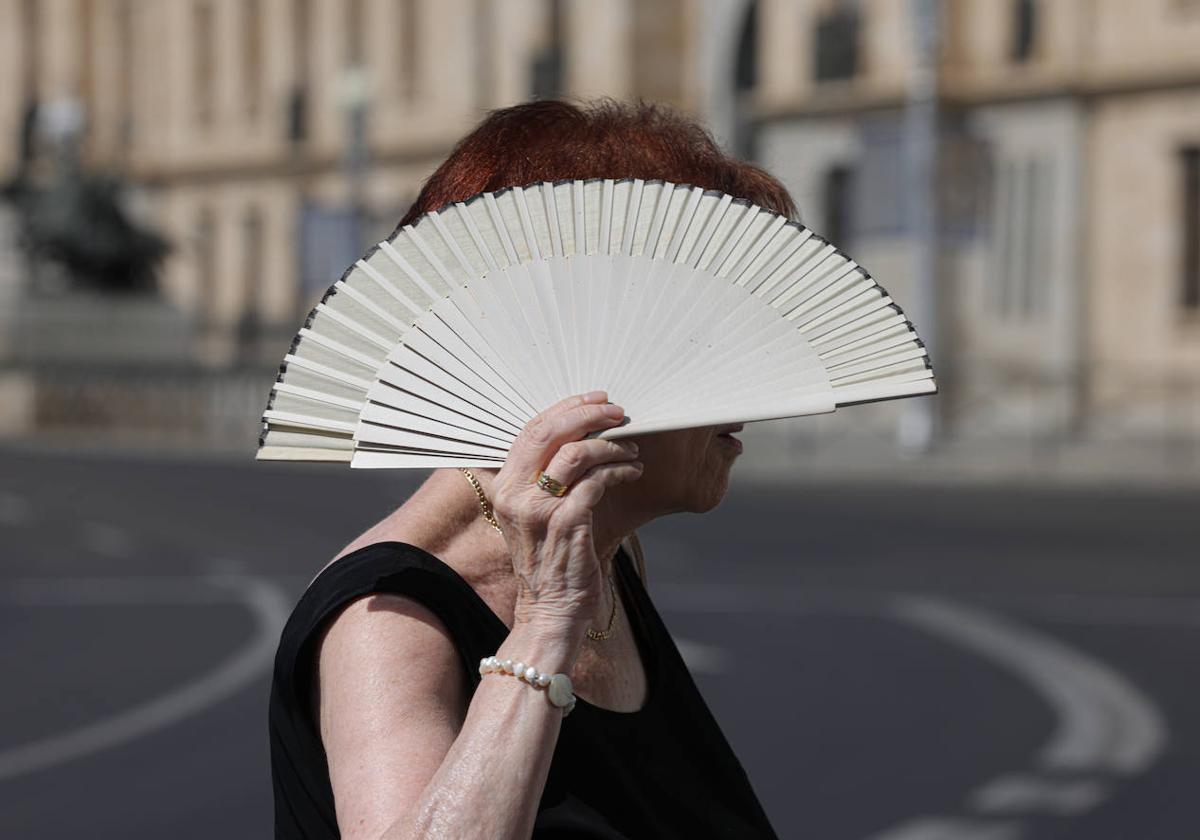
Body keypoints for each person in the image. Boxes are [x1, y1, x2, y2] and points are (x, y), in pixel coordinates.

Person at [269, 98, 796, 839]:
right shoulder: (388, 620)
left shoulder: (607, 565)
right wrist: (545, 627)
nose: (758, 390)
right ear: (573, 340)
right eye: (711, 335)